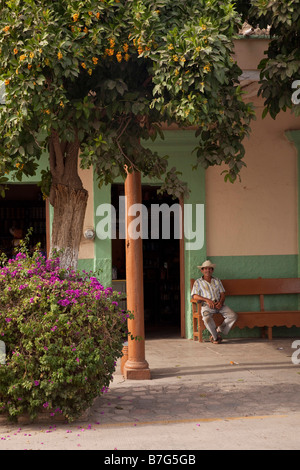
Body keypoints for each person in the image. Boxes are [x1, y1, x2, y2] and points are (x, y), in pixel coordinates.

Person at [191, 260, 237, 344]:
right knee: (206, 318)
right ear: (202, 270)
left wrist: (221, 302)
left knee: (233, 316)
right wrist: (207, 300)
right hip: (207, 306)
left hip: (219, 305)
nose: (207, 270)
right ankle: (215, 337)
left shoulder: (217, 280)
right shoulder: (198, 282)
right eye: (205, 269)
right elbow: (194, 295)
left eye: (210, 269)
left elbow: (222, 293)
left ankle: (218, 330)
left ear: (212, 270)